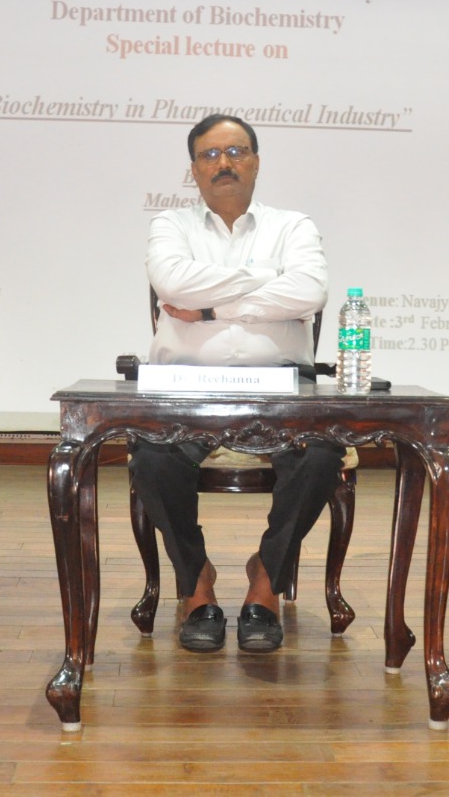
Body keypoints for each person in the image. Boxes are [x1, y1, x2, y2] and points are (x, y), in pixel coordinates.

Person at [131, 113, 335, 655]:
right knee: (151, 457)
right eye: (210, 155)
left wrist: (212, 306)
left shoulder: (292, 226)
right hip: (184, 386)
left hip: (281, 388)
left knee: (321, 455)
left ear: (256, 162)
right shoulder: (170, 227)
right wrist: (270, 280)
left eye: (236, 152)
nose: (224, 163)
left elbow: (311, 290)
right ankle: (197, 584)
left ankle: (266, 583)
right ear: (194, 170)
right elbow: (173, 282)